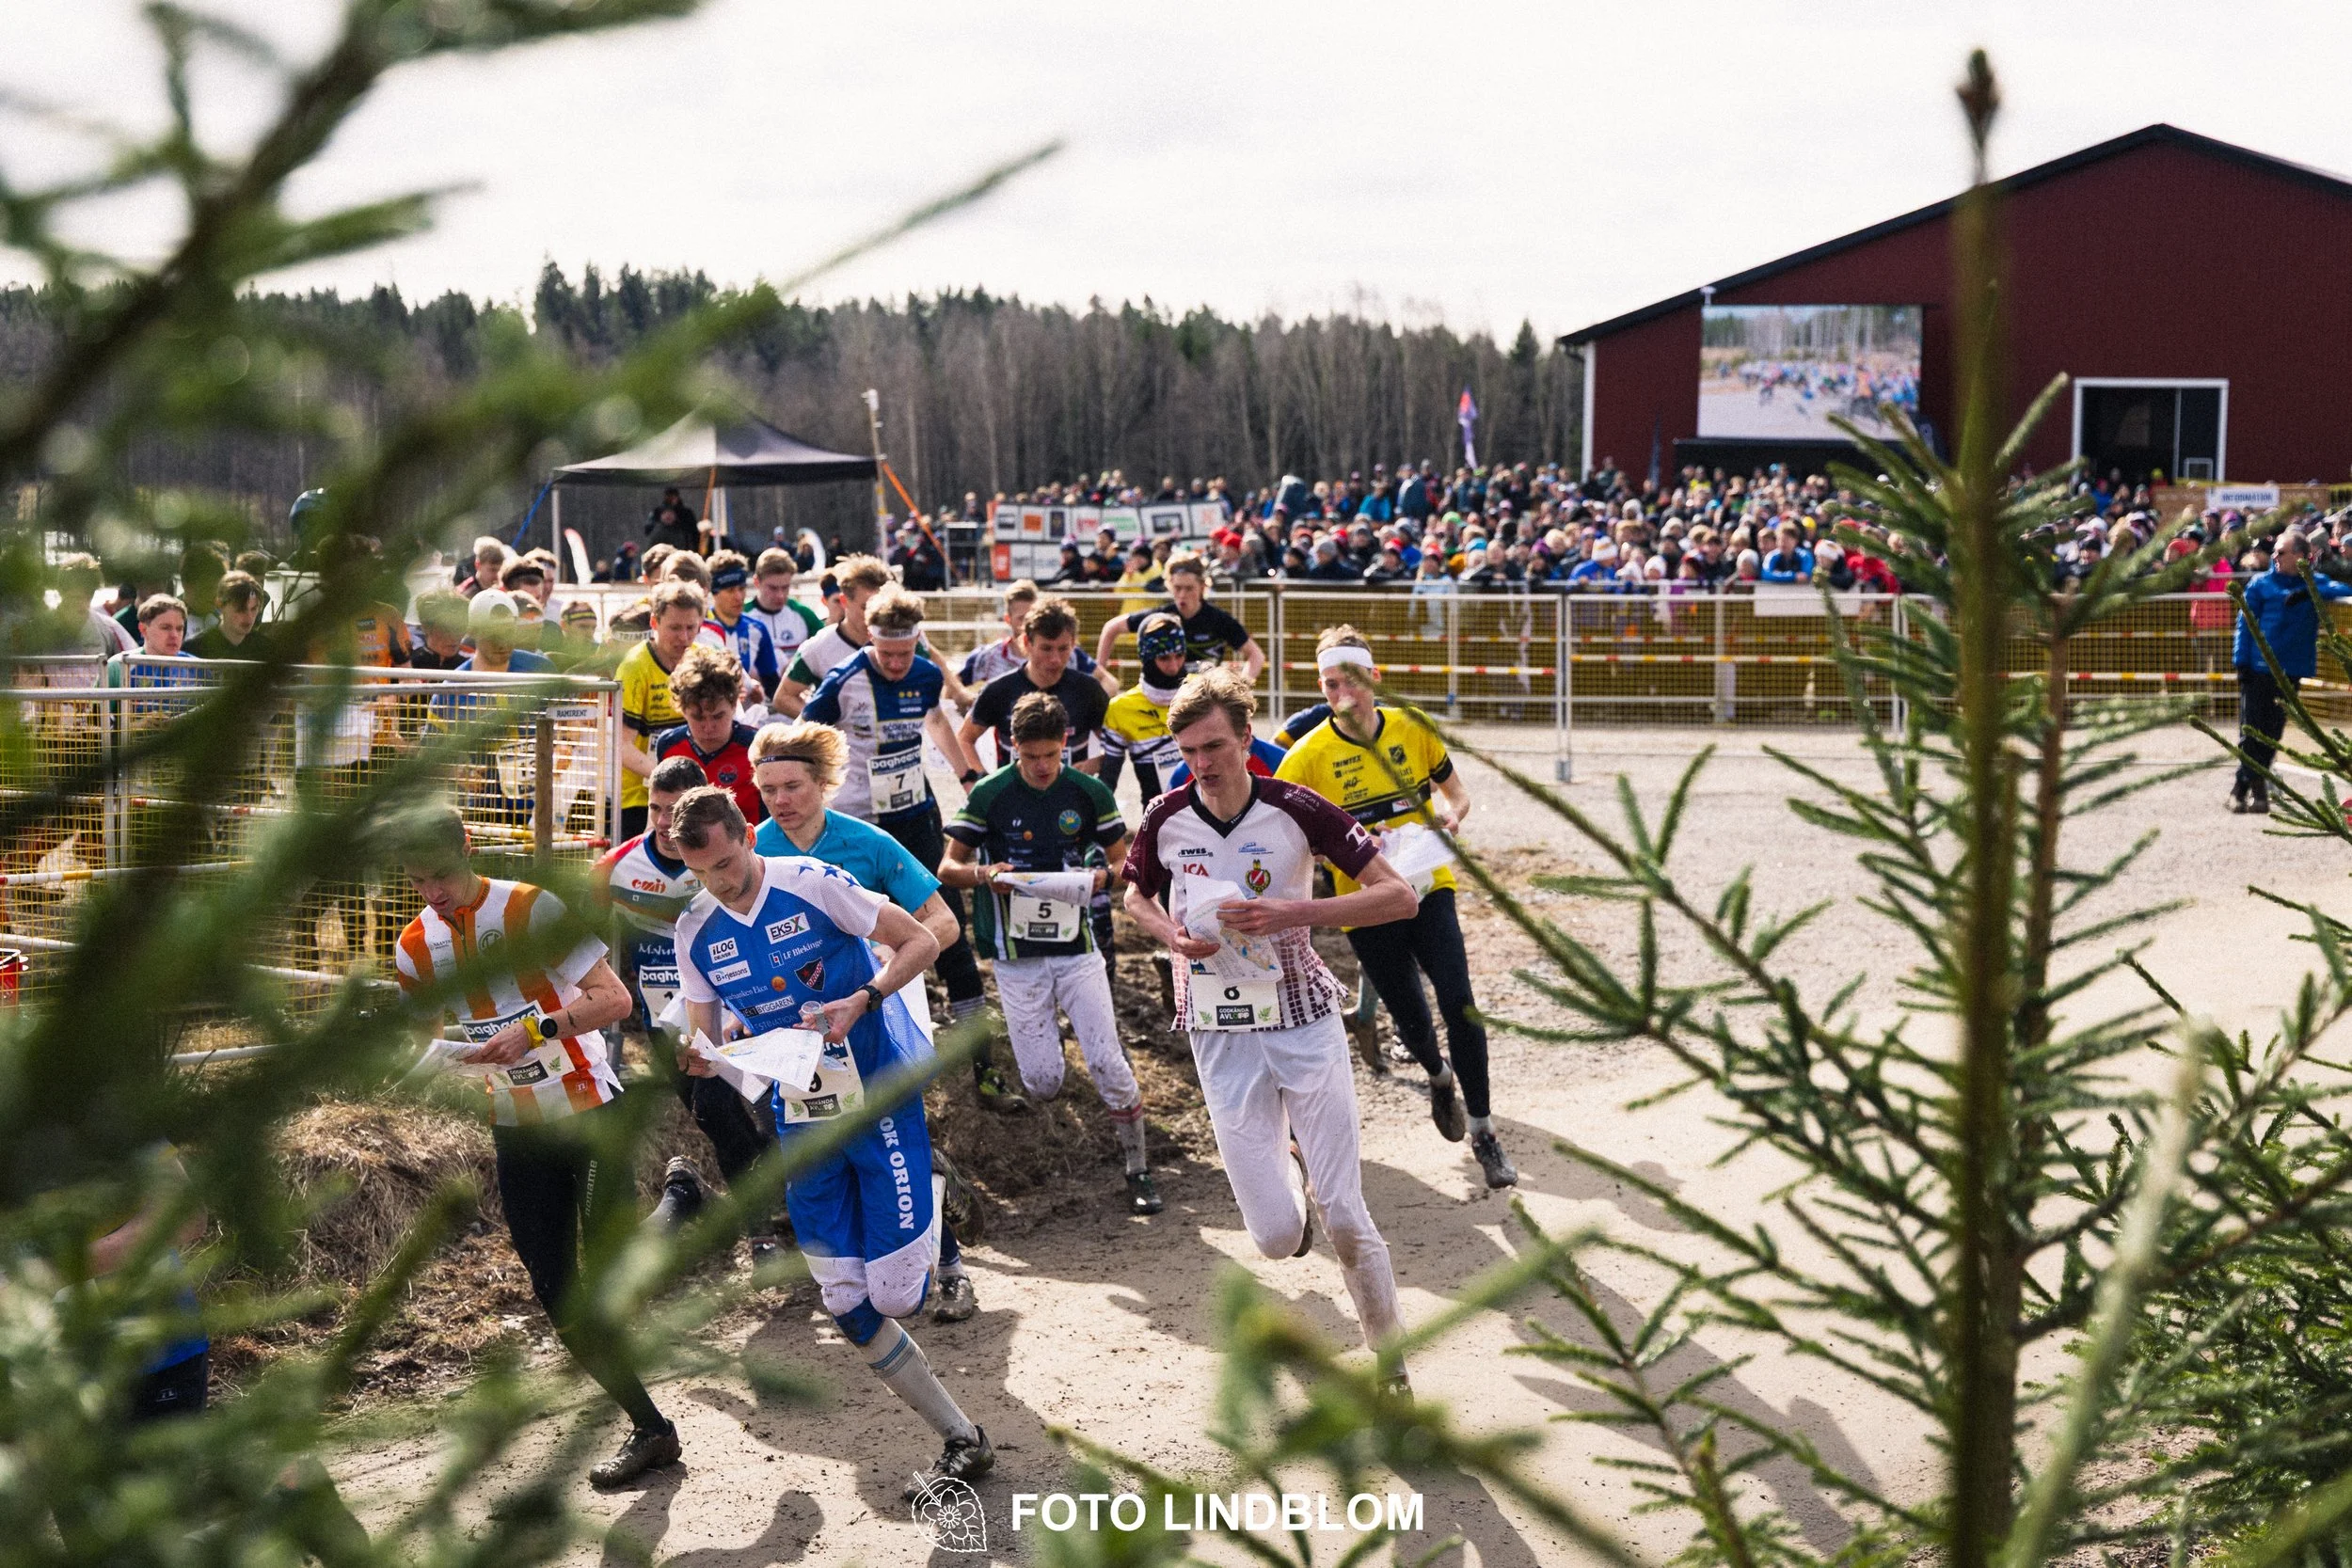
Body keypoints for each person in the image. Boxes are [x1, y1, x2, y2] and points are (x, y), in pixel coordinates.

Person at [670, 785, 995, 1497]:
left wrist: (867, 997)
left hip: (875, 1093)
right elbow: (709, 1032)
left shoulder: (812, 882)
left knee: (899, 1296)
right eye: (704, 873)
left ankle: (935, 1185)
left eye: (728, 862)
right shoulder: (694, 928)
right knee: (847, 1300)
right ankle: (961, 1437)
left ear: (747, 837)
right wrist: (705, 1053)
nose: (722, 881)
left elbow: (919, 937)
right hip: (800, 1115)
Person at [1120, 668, 1418, 1386]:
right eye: (1189, 750)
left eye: (1215, 745)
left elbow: (1399, 897)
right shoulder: (1167, 815)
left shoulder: (1297, 807)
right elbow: (1134, 896)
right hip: (1217, 1026)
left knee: (1345, 1210)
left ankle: (1392, 1363)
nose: (1204, 764)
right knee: (1276, 1237)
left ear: (1247, 737)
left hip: (1302, 1015)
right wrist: (1169, 935)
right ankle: (1290, 1169)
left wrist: (1293, 913)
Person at [391, 802, 679, 1489]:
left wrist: (538, 1031)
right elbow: (425, 1038)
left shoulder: (527, 908)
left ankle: (682, 1202)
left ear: (468, 846)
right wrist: (437, 1062)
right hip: (517, 1122)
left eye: (442, 874)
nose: (433, 891)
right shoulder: (412, 944)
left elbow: (615, 1001)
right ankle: (651, 1427)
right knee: (556, 1290)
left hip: (589, 1105)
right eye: (417, 880)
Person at [747, 721, 999, 1312]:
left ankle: (951, 1266)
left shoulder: (868, 844)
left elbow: (943, 924)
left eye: (793, 787)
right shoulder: (751, 849)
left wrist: (886, 955)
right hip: (791, 1024)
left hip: (878, 1000)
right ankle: (871, 1265)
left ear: (823, 784)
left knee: (884, 1129)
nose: (781, 801)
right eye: (769, 790)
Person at [1276, 627, 1516, 1187]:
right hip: (1364, 903)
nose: (1343, 695)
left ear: (1374, 679)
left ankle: (1483, 1131)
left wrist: (1454, 816)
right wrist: (1336, 845)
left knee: (1461, 1004)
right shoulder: (1307, 757)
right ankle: (1436, 1077)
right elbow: (1288, 839)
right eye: (1332, 685)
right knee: (1410, 1018)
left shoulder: (1411, 726)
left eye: (1353, 682)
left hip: (1428, 885)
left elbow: (1457, 793)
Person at [941, 692, 1161, 1214]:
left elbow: (1122, 861)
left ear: (1066, 745)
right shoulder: (991, 794)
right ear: (1011, 747)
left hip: (1078, 948)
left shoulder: (1087, 791)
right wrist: (984, 875)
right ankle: (1036, 1038)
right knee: (1042, 1083)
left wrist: (1102, 878)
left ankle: (1139, 1169)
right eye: (1030, 756)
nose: (1041, 767)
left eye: (1050, 755)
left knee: (1108, 1062)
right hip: (1016, 956)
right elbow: (947, 867)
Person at [595, 756, 778, 1258]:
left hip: (736, 1010)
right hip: (666, 1023)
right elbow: (580, 935)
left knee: (762, 1116)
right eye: (654, 807)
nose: (661, 821)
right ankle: (750, 1213)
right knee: (718, 1120)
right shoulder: (620, 864)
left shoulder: (732, 860)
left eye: (673, 810)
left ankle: (760, 1226)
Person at [799, 589, 993, 1034]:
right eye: (886, 653)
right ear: (870, 637)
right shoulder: (844, 678)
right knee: (856, 921)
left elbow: (937, 721)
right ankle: (860, 1014)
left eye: (905, 652)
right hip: (857, 822)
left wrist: (965, 774)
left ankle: (973, 1029)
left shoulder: (925, 674)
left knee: (946, 916)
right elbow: (803, 738)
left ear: (918, 641)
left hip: (912, 813)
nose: (896, 663)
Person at [2232, 528, 2352, 813]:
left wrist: (2305, 591)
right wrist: (2241, 662)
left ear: (2301, 556)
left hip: (2291, 670)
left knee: (2273, 731)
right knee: (2251, 731)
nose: (2275, 556)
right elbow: (2244, 624)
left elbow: (2343, 591)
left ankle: (2244, 787)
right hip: (2258, 668)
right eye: (2275, 552)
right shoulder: (2260, 585)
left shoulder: (2315, 583)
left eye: (2281, 552)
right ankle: (2253, 789)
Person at [616, 580, 707, 838]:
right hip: (639, 795)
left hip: (693, 788)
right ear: (654, 623)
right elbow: (622, 746)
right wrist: (667, 776)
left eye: (691, 628)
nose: (684, 638)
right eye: (675, 628)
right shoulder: (635, 666)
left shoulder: (702, 659)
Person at [1093, 553, 1264, 685]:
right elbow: (1111, 627)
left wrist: (1243, 687)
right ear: (1169, 585)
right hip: (1165, 699)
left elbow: (1256, 655)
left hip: (1203, 698)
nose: (1182, 595)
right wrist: (1100, 672)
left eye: (1189, 588)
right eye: (1177, 588)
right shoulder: (1160, 617)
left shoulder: (1219, 620)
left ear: (1203, 587)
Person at [652, 643, 764, 826]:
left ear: (734, 705)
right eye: (698, 717)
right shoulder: (668, 745)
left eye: (718, 716)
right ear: (682, 710)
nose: (708, 727)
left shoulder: (756, 746)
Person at [1097, 612, 1188, 800]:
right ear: (1146, 658)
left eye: (1179, 656)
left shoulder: (1202, 691)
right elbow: (1107, 780)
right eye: (1164, 658)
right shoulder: (1120, 709)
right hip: (1159, 819)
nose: (1173, 667)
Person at [702, 550, 781, 702]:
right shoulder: (701, 629)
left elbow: (772, 686)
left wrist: (759, 692)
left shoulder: (757, 629)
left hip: (746, 718)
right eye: (730, 590)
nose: (738, 597)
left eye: (742, 588)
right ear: (714, 592)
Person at [746, 547, 824, 672]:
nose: (780, 595)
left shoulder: (804, 615)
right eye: (773, 588)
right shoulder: (742, 615)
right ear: (757, 582)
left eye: (785, 588)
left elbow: (827, 652)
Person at [184, 571, 263, 658]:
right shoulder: (193, 649)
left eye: (254, 609)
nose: (249, 617)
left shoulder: (267, 650)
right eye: (240, 609)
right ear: (220, 605)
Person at [645, 487, 701, 554]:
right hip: (661, 550)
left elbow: (694, 533)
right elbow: (648, 530)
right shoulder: (657, 512)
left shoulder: (686, 513)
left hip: (683, 548)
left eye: (672, 496)